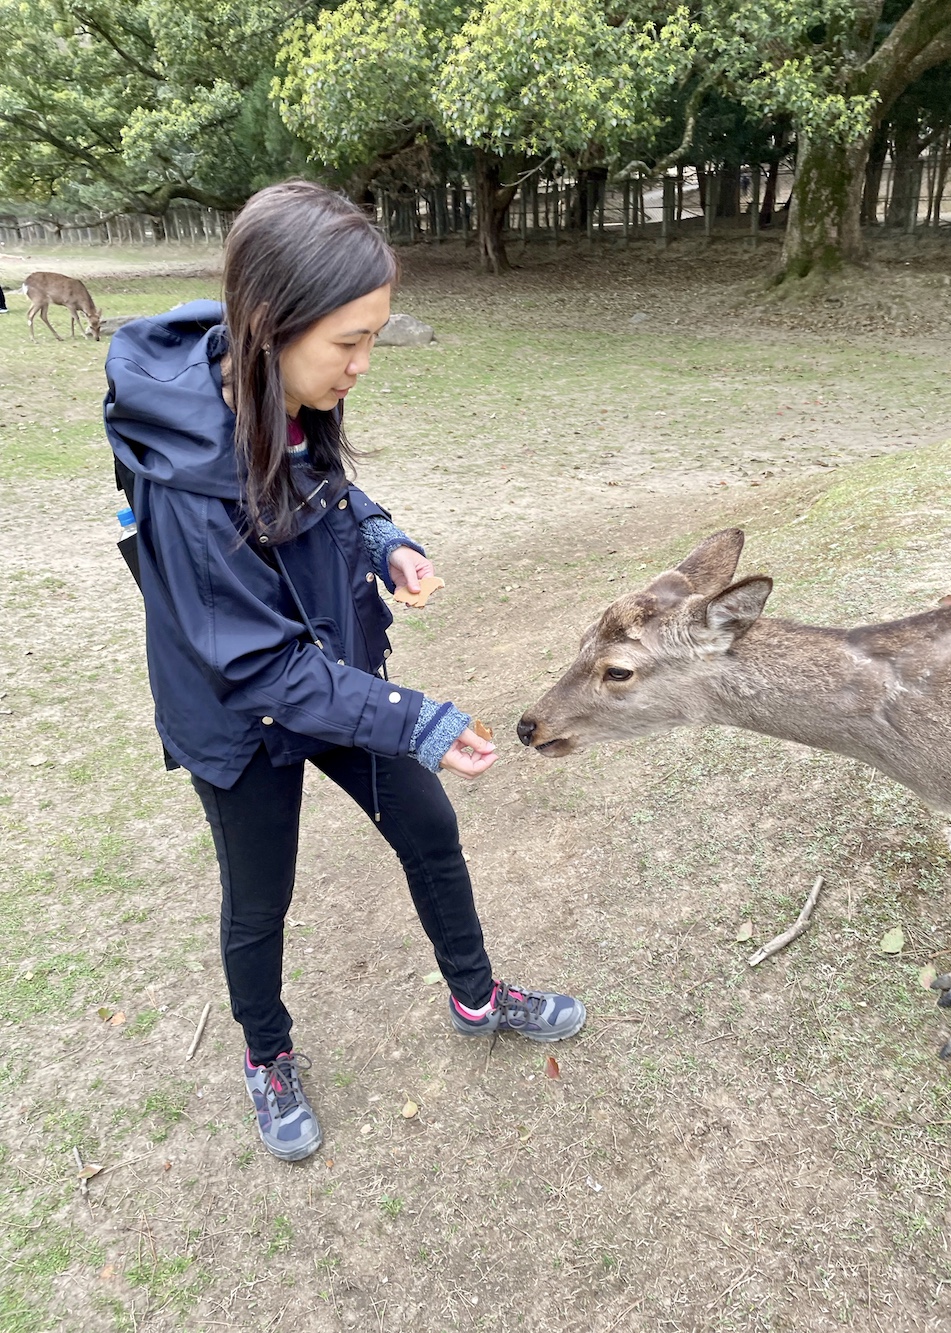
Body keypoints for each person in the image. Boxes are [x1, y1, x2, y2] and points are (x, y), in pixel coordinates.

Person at [103, 181, 585, 1163]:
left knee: (428, 828)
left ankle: (476, 994)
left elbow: (327, 483)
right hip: (243, 715)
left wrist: (384, 540)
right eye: (348, 342)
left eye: (373, 338)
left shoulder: (282, 390)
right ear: (270, 325)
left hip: (333, 675)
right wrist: (418, 720)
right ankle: (267, 1056)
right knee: (258, 898)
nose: (363, 366)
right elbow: (264, 670)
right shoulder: (186, 489)